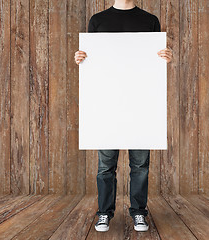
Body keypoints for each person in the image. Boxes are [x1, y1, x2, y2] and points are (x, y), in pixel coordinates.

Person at [75, 0, 173, 233]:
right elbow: (94, 62)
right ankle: (103, 213)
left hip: (141, 102)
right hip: (108, 104)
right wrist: (82, 58)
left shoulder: (150, 21)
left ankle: (139, 212)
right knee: (105, 166)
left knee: (140, 165)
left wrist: (165, 58)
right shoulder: (97, 21)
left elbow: (152, 61)